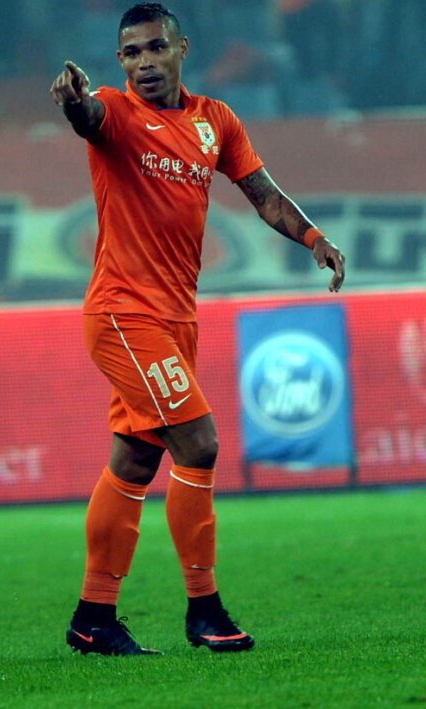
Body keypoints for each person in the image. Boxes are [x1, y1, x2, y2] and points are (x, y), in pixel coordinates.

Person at [50, 2, 346, 656]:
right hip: (123, 314)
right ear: (119, 62)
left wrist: (314, 238)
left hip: (176, 318)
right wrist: (74, 103)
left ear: (182, 49)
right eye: (132, 53)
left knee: (136, 458)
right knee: (199, 441)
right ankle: (204, 609)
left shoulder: (216, 120)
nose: (145, 63)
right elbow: (88, 117)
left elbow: (263, 194)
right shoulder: (115, 113)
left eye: (156, 48)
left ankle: (93, 617)